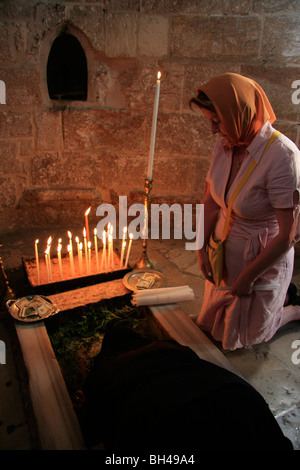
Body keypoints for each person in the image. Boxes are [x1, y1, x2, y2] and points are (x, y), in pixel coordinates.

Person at [190, 72, 300, 351]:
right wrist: (201, 247)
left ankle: (292, 311)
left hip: (260, 260)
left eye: (217, 121)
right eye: (210, 122)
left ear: (238, 112)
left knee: (252, 330)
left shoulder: (282, 157)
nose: (213, 130)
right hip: (223, 248)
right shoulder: (227, 144)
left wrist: (249, 275)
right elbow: (212, 200)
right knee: (217, 321)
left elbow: (288, 236)